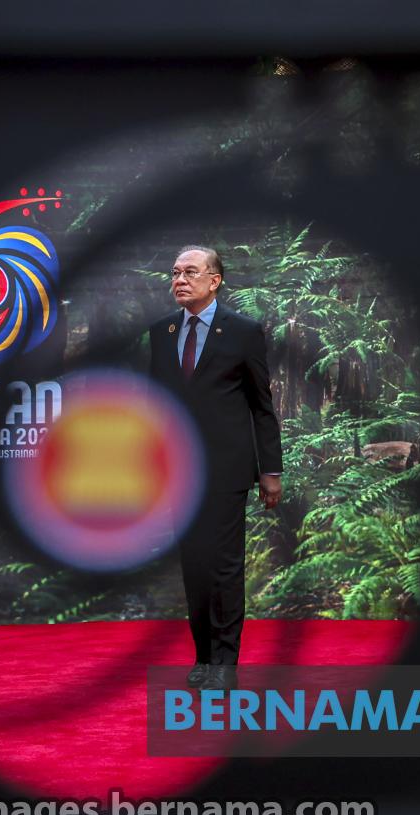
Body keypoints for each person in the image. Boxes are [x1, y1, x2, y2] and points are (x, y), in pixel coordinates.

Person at [148, 245, 282, 692]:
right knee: (195, 566)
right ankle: (203, 657)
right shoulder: (163, 332)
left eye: (190, 272)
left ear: (214, 280)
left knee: (223, 566)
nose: (180, 280)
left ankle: (225, 662)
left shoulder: (242, 331)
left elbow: (262, 406)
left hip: (227, 470)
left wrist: (271, 470)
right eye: (175, 272)